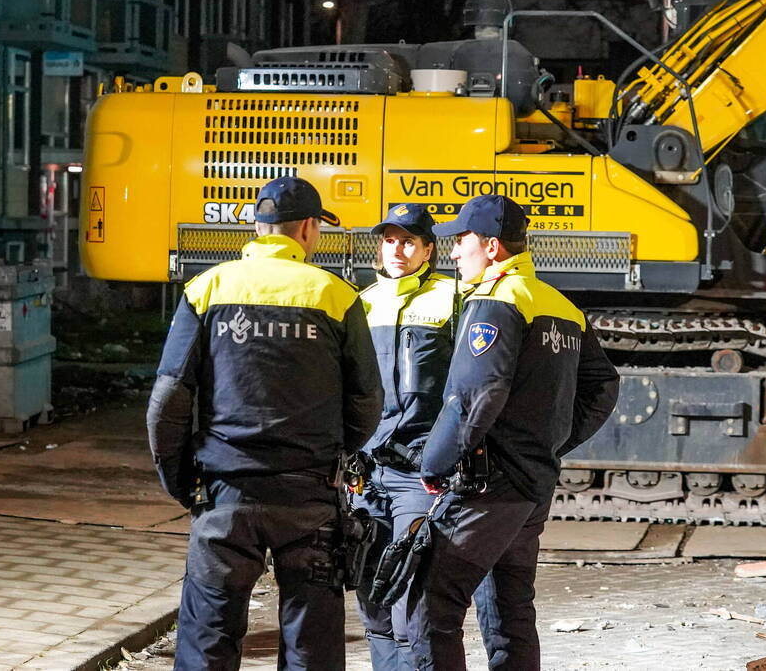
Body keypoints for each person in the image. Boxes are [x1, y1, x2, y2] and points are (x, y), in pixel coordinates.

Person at [146, 175, 382, 670]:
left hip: (224, 491)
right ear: (309, 229)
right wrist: (333, 456)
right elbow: (366, 401)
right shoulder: (337, 296)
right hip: (309, 495)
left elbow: (168, 398)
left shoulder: (206, 288)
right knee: (311, 643)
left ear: (258, 226)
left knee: (208, 636)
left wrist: (180, 477)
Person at [405, 194, 620, 671]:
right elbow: (602, 386)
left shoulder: (496, 302)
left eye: (462, 242)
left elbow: (473, 397)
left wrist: (434, 464)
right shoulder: (560, 305)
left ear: (493, 246)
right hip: (532, 485)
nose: (455, 253)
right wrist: (551, 441)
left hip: (488, 488)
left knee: (428, 603)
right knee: (510, 610)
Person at [354, 203, 458, 669]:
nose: (398, 249)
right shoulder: (362, 302)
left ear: (427, 250)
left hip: (418, 472)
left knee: (411, 597)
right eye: (391, 240)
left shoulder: (452, 297)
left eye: (409, 241)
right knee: (370, 591)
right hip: (366, 471)